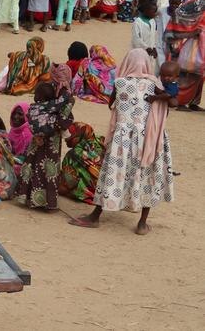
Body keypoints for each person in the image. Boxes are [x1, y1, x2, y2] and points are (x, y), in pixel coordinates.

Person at [70, 49, 174, 235]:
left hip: (122, 139)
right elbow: (166, 109)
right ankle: (142, 224)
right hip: (148, 138)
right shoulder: (156, 85)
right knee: (146, 176)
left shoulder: (120, 83)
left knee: (112, 173)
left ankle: (95, 216)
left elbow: (111, 105)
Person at [17, 77, 74, 210]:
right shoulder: (53, 106)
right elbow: (64, 106)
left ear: (39, 97)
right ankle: (49, 202)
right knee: (49, 171)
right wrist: (68, 97)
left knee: (33, 168)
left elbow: (30, 121)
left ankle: (28, 197)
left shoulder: (34, 108)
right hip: (51, 145)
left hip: (36, 143)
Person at [59, 122, 105, 205]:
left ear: (78, 136)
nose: (66, 140)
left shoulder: (74, 153)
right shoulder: (100, 141)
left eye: (70, 136)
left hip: (93, 193)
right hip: (108, 191)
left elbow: (68, 184)